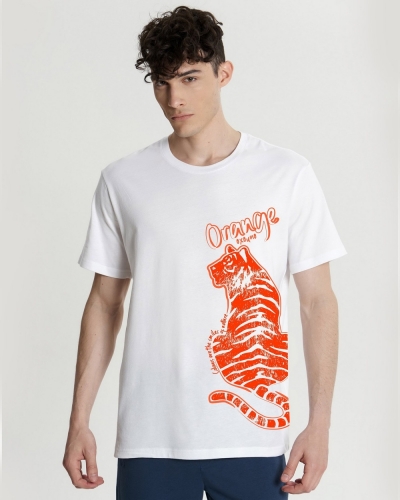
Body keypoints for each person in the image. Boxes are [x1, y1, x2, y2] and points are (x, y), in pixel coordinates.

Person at [62, 5, 347, 499]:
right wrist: (79, 420)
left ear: (224, 73)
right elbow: (105, 303)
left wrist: (319, 424)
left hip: (253, 436)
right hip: (151, 438)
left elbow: (317, 301)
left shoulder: (286, 174)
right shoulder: (123, 181)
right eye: (162, 82)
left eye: (190, 78)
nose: (175, 98)